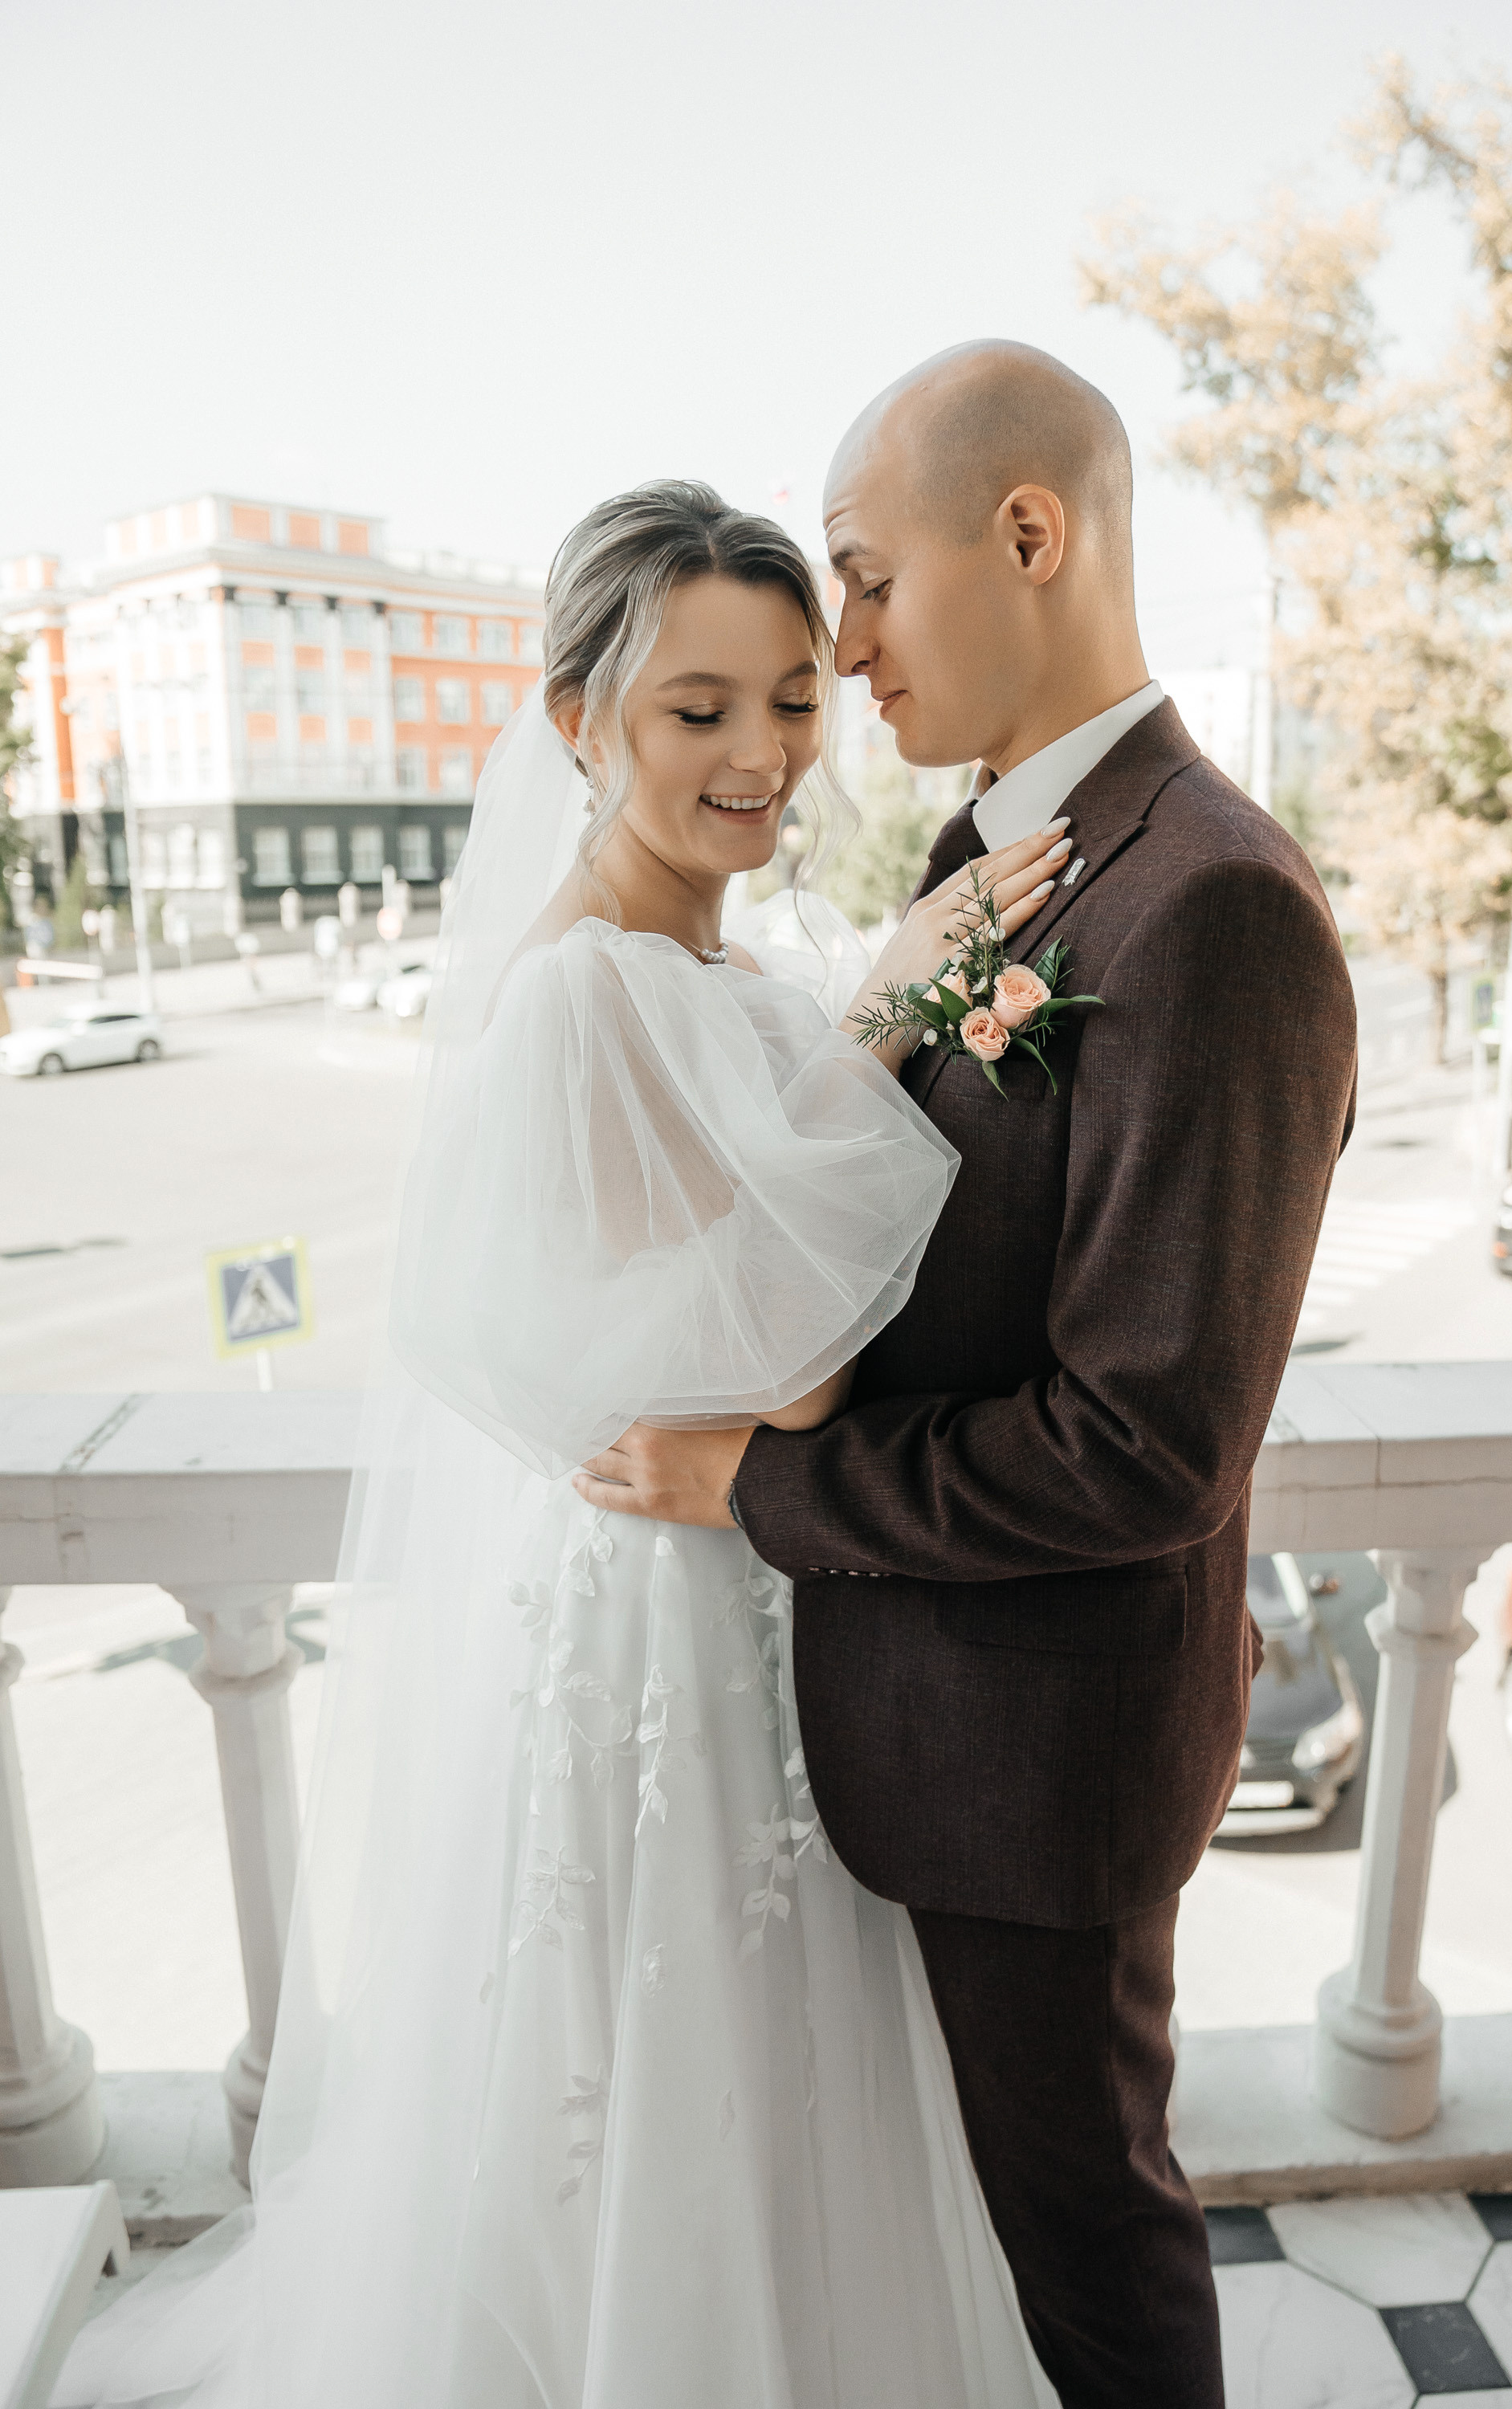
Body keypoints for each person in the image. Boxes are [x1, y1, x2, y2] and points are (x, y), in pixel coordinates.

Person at [52, 482, 1068, 2409]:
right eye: (699, 710)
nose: (765, 755)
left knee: (778, 2109)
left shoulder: (719, 981)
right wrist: (888, 1016)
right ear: (574, 721)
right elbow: (787, 1377)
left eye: (790, 697)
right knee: (667, 2096)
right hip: (660, 1631)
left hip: (749, 1607)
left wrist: (847, 1023)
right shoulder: (587, 998)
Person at [573, 346, 1360, 2408]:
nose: (844, 654)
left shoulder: (1215, 905)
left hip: (1039, 1763)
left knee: (1086, 2256)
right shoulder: (984, 867)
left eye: (865, 585)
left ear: (1027, 537)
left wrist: (757, 1483)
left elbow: (1144, 1448)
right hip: (908, 1740)